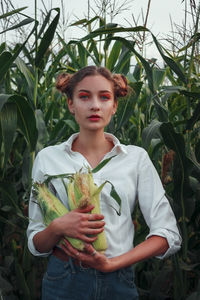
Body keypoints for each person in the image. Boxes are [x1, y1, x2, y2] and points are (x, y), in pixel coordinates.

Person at [27, 66, 182, 300]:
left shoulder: (136, 158)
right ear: (71, 104)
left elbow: (168, 234)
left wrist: (112, 264)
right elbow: (36, 242)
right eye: (84, 97)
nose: (95, 106)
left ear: (115, 106)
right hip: (63, 281)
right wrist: (58, 227)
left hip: (118, 280)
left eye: (104, 97)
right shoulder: (48, 158)